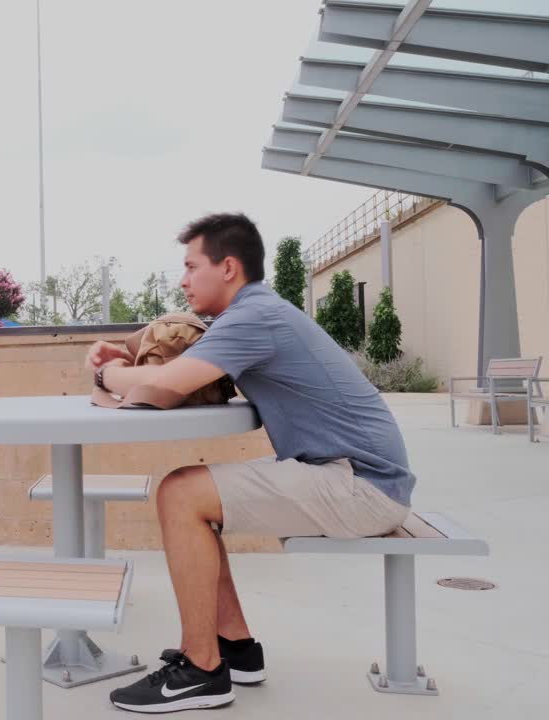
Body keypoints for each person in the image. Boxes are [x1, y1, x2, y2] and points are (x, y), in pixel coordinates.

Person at [90, 212, 414, 714]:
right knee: (193, 495)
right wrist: (129, 351)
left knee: (181, 494)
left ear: (228, 267)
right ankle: (235, 648)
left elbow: (164, 386)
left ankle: (202, 670)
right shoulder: (255, 313)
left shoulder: (253, 317)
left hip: (361, 486)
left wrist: (110, 373)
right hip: (360, 476)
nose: (182, 279)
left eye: (190, 265)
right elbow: (175, 364)